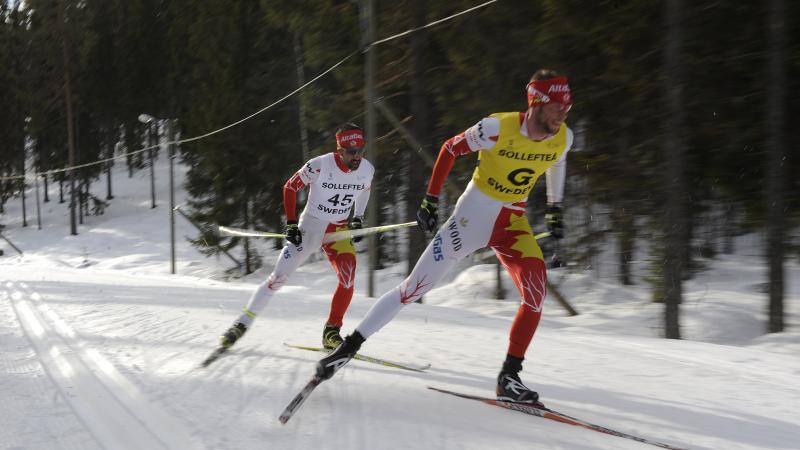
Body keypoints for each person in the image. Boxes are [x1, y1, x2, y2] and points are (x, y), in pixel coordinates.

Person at [316, 70, 573, 404]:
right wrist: (431, 200)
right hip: (472, 218)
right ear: (537, 102)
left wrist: (555, 207)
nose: (563, 113)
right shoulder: (496, 128)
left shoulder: (563, 137)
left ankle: (509, 378)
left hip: (512, 222)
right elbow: (450, 148)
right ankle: (346, 348)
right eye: (557, 106)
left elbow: (557, 162)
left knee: (536, 290)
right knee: (413, 289)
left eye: (567, 106)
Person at [218, 123, 374, 350]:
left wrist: (358, 217)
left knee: (348, 276)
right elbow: (290, 187)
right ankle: (241, 324)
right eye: (351, 152)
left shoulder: (366, 169)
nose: (357, 156)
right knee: (278, 278)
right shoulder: (319, 165)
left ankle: (331, 331)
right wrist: (291, 224)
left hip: (338, 230)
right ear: (339, 149)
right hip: (310, 228)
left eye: (361, 150)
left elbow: (365, 190)